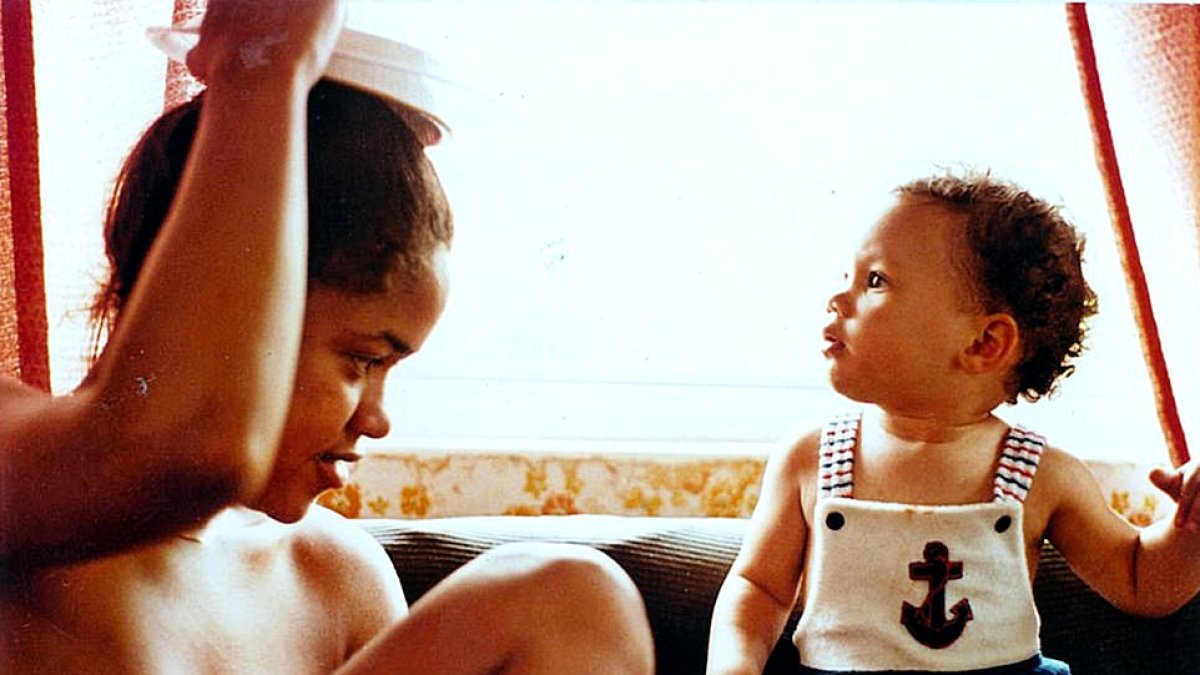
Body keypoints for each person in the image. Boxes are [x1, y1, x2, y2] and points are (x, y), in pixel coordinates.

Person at [0, 1, 654, 673]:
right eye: (362, 360)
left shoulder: (335, 576)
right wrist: (262, 67)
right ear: (241, 303)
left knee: (568, 599)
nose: (377, 420)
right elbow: (185, 450)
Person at [705, 171, 1200, 674]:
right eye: (847, 276)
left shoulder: (1044, 475)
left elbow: (1140, 579)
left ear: (984, 343)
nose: (837, 298)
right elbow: (758, 588)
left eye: (875, 281)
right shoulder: (809, 458)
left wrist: (1190, 532)